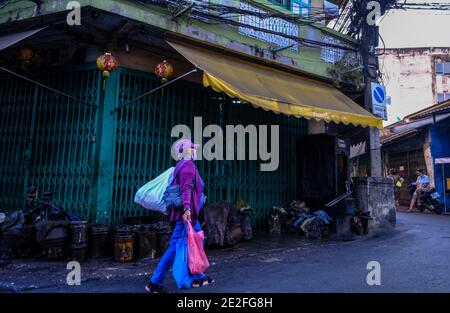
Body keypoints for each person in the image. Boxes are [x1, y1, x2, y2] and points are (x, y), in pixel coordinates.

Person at [146, 139, 213, 293]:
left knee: (198, 240)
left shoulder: (181, 165)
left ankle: (197, 276)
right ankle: (154, 283)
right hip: (186, 216)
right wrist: (187, 209)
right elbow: (185, 189)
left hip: (190, 215)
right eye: (192, 148)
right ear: (186, 150)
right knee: (174, 248)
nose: (195, 150)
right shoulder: (188, 166)